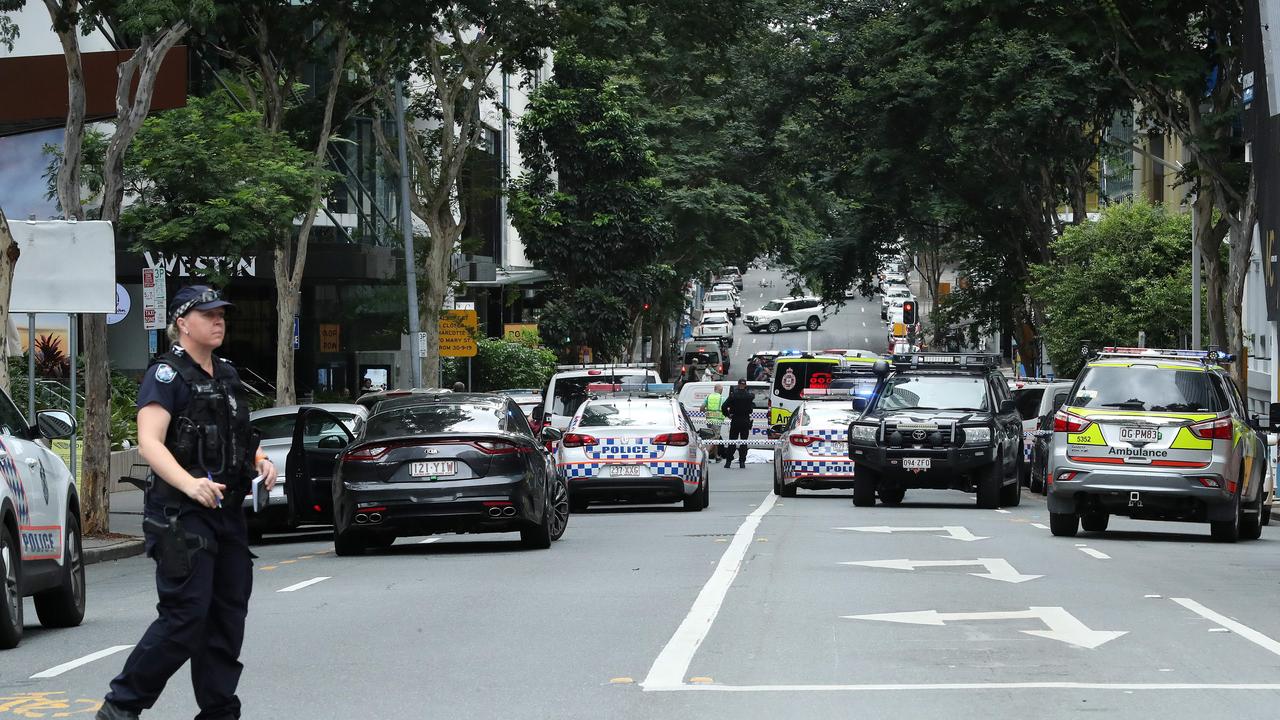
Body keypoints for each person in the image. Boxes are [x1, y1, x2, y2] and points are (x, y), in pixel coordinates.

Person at [97, 286, 278, 720]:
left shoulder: (227, 374)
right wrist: (188, 484)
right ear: (182, 322)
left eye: (222, 315)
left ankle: (219, 712)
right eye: (209, 314)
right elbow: (149, 443)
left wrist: (262, 461)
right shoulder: (166, 376)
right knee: (184, 619)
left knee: (226, 619)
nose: (219, 321)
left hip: (227, 514)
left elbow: (238, 435)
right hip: (180, 516)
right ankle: (121, 708)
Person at [720, 378, 756, 469]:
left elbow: (724, 406)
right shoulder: (750, 396)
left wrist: (728, 415)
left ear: (738, 384)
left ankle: (728, 462)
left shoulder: (733, 396)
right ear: (745, 385)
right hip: (745, 420)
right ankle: (742, 462)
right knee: (743, 442)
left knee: (732, 441)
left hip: (735, 420)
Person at [702, 384, 726, 461]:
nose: (722, 391)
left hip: (709, 421)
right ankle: (705, 455)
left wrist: (708, 412)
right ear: (720, 390)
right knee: (715, 438)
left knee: (713, 438)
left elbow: (701, 408)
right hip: (717, 421)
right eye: (722, 390)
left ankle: (716, 456)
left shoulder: (708, 397)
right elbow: (726, 409)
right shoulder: (722, 398)